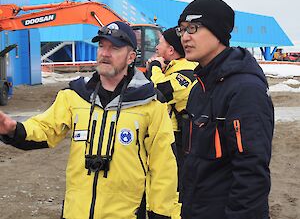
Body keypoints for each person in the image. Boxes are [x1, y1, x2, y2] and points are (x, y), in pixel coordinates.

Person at [0, 21, 178, 219]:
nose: (105, 53)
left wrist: (161, 214)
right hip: (76, 213)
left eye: (115, 48)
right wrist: (12, 128)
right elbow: (45, 129)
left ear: (131, 57)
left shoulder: (151, 103)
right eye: (102, 46)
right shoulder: (75, 95)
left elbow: (164, 167)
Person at [176, 0, 274, 219]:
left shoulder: (244, 89)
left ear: (218, 31)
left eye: (193, 28)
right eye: (181, 30)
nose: (185, 37)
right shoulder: (199, 87)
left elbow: (251, 174)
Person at [146, 27, 197, 189]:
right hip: (171, 134)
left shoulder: (187, 71)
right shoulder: (173, 69)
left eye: (159, 43)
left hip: (181, 138)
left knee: (176, 183)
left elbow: (161, 91)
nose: (156, 47)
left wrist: (154, 67)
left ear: (170, 50)